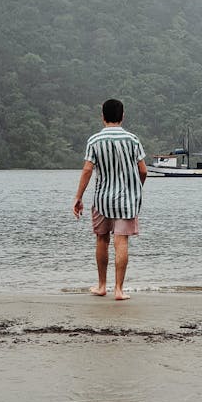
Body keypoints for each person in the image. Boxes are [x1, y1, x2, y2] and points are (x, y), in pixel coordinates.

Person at [73, 98, 147, 300]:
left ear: (103, 116)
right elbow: (143, 170)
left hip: (102, 199)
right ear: (122, 116)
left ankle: (102, 286)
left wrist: (78, 197)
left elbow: (88, 169)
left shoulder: (94, 141)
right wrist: (136, 188)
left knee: (102, 239)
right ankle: (119, 290)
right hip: (127, 201)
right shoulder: (133, 140)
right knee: (121, 241)